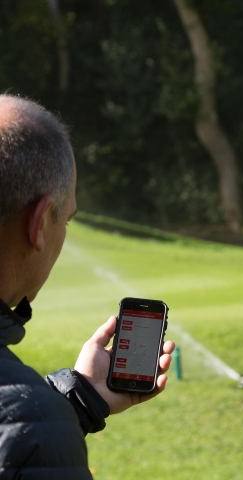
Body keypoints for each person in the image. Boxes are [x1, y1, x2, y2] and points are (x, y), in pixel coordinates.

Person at [0, 94, 175, 479]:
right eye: (68, 219)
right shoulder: (34, 423)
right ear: (41, 221)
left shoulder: (35, 423)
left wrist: (80, 399)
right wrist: (47, 425)